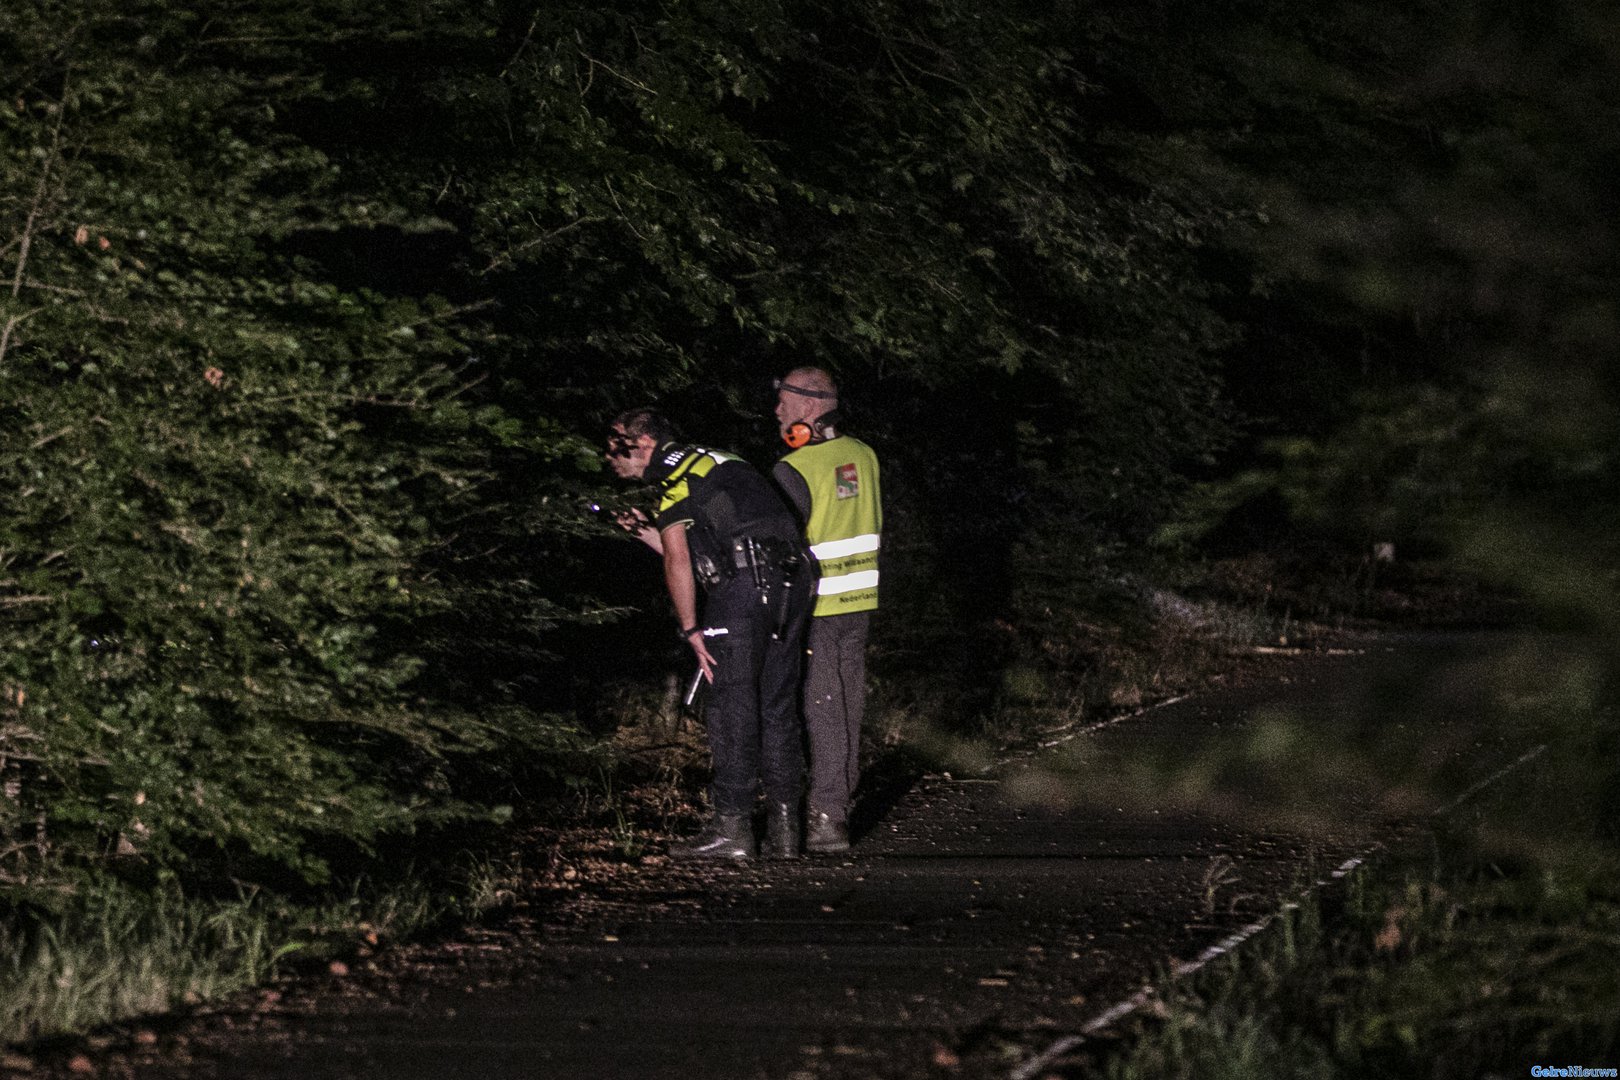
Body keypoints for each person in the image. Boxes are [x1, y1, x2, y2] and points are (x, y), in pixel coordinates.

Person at [605, 407, 813, 859]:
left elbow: (678, 560)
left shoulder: (670, 474)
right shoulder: (716, 460)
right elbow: (710, 539)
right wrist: (644, 530)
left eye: (615, 444)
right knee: (777, 702)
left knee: (731, 706)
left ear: (642, 442)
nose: (609, 457)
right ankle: (785, 830)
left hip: (743, 588)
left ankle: (732, 829)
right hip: (792, 580)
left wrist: (692, 629)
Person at [771, 368, 882, 853]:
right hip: (861, 601)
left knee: (823, 710)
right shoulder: (864, 454)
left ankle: (826, 817)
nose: (777, 410)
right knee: (846, 704)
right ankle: (837, 806)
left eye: (784, 401)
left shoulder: (793, 468)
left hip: (820, 606)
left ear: (811, 406)